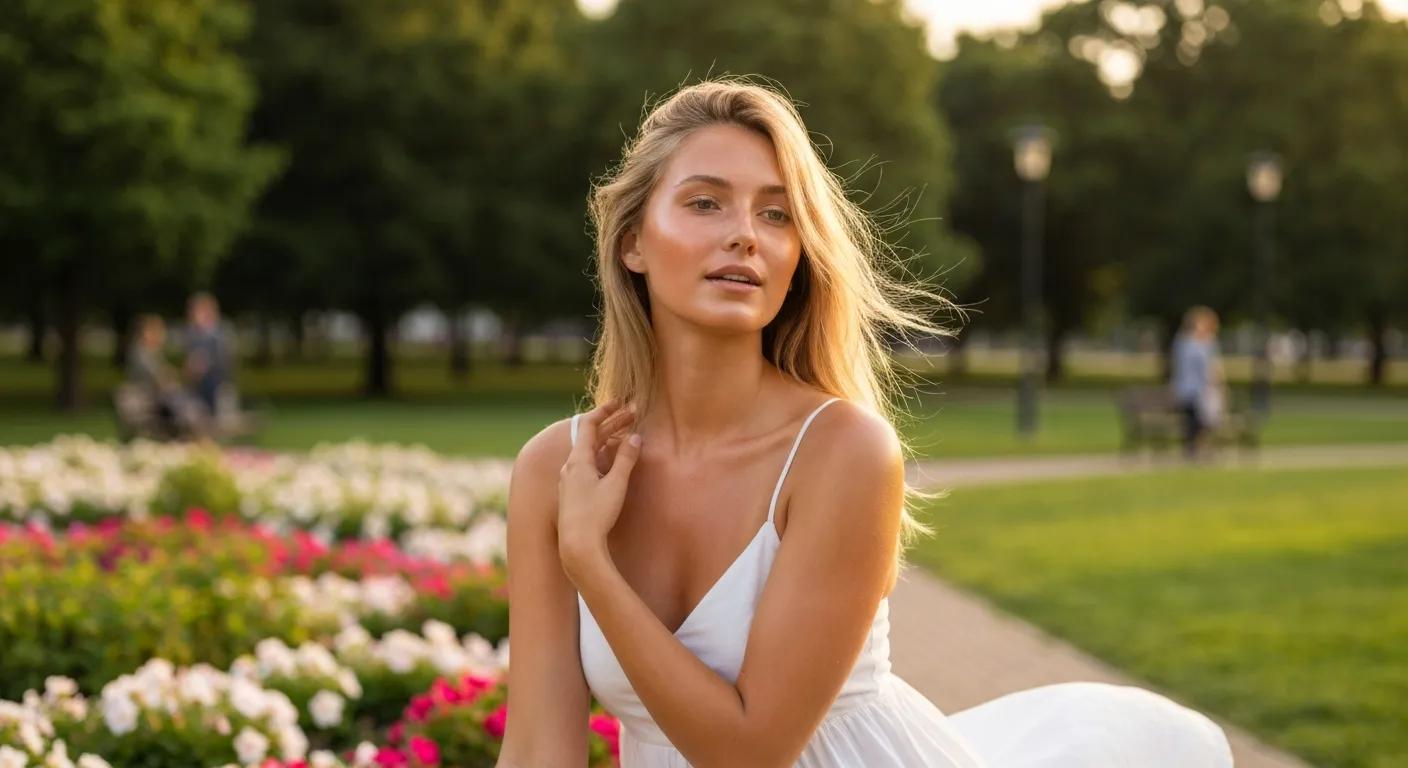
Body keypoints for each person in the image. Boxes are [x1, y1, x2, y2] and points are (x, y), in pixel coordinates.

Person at [497, 79, 1233, 767]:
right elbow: (537, 743)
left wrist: (590, 561)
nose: (746, 235)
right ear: (633, 242)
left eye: (776, 213)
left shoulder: (842, 452)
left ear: (796, 256)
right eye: (705, 203)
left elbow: (751, 752)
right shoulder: (556, 469)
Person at [125, 314, 208, 439]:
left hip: (157, 401)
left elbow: (166, 376)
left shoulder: (150, 353)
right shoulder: (143, 354)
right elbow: (161, 378)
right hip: (150, 403)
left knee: (190, 406)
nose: (162, 336)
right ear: (147, 332)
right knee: (188, 409)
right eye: (158, 331)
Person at [1170, 305, 1225, 459]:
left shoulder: (1207, 342)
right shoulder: (1185, 342)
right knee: (1193, 420)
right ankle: (1192, 450)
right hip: (1190, 388)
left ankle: (1200, 449)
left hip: (1202, 389)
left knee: (1204, 421)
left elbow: (1213, 366)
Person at [183, 292, 232, 418]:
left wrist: (205, 364)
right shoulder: (193, 335)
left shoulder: (219, 334)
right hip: (198, 387)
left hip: (216, 386)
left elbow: (225, 361)